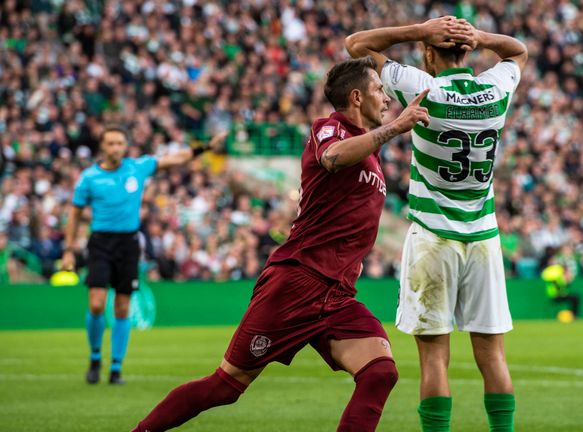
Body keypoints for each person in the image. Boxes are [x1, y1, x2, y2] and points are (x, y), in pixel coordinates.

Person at [131, 56, 430, 432]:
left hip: (336, 293)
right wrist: (396, 128)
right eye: (379, 90)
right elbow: (333, 158)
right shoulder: (330, 129)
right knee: (225, 386)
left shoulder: (369, 151)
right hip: (298, 282)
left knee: (380, 372)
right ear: (356, 97)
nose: (387, 99)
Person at [346, 16, 527, 431]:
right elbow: (517, 51)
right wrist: (481, 37)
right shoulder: (496, 88)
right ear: (468, 51)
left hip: (432, 236)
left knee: (433, 359)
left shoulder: (420, 86)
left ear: (429, 52)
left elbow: (355, 45)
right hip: (483, 238)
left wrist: (418, 29)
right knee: (493, 357)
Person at [61, 127, 226, 385]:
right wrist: (69, 250)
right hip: (100, 243)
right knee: (96, 303)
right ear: (103, 147)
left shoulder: (137, 167)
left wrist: (204, 147)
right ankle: (95, 358)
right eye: (111, 143)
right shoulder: (89, 177)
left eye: (120, 143)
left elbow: (175, 158)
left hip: (128, 243)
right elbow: (74, 214)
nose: (116, 148)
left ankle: (116, 368)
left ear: (125, 145)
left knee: (123, 306)